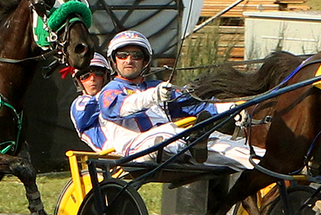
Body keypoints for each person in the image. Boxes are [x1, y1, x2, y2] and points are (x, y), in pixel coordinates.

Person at [98, 30, 259, 169]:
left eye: (136, 56)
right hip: (135, 149)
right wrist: (153, 96)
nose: (129, 60)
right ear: (114, 60)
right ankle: (193, 142)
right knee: (168, 133)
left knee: (231, 145)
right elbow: (120, 109)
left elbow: (195, 105)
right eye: (122, 55)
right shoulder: (110, 90)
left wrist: (231, 108)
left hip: (175, 144)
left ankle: (267, 164)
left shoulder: (158, 86)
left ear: (145, 61)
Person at [68, 52, 113, 152]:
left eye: (98, 74)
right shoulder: (79, 103)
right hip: (113, 155)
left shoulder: (116, 95)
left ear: (105, 77)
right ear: (78, 81)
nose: (92, 79)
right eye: (85, 76)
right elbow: (84, 114)